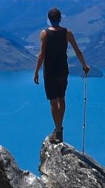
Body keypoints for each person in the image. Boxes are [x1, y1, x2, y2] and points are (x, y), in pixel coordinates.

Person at [33, 7, 90, 143]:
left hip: (50, 72)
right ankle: (60, 128)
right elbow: (77, 51)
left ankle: (57, 129)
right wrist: (84, 66)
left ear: (49, 19)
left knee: (53, 101)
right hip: (63, 71)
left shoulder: (44, 34)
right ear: (60, 18)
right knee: (62, 99)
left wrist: (36, 72)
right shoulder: (67, 33)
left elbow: (41, 55)